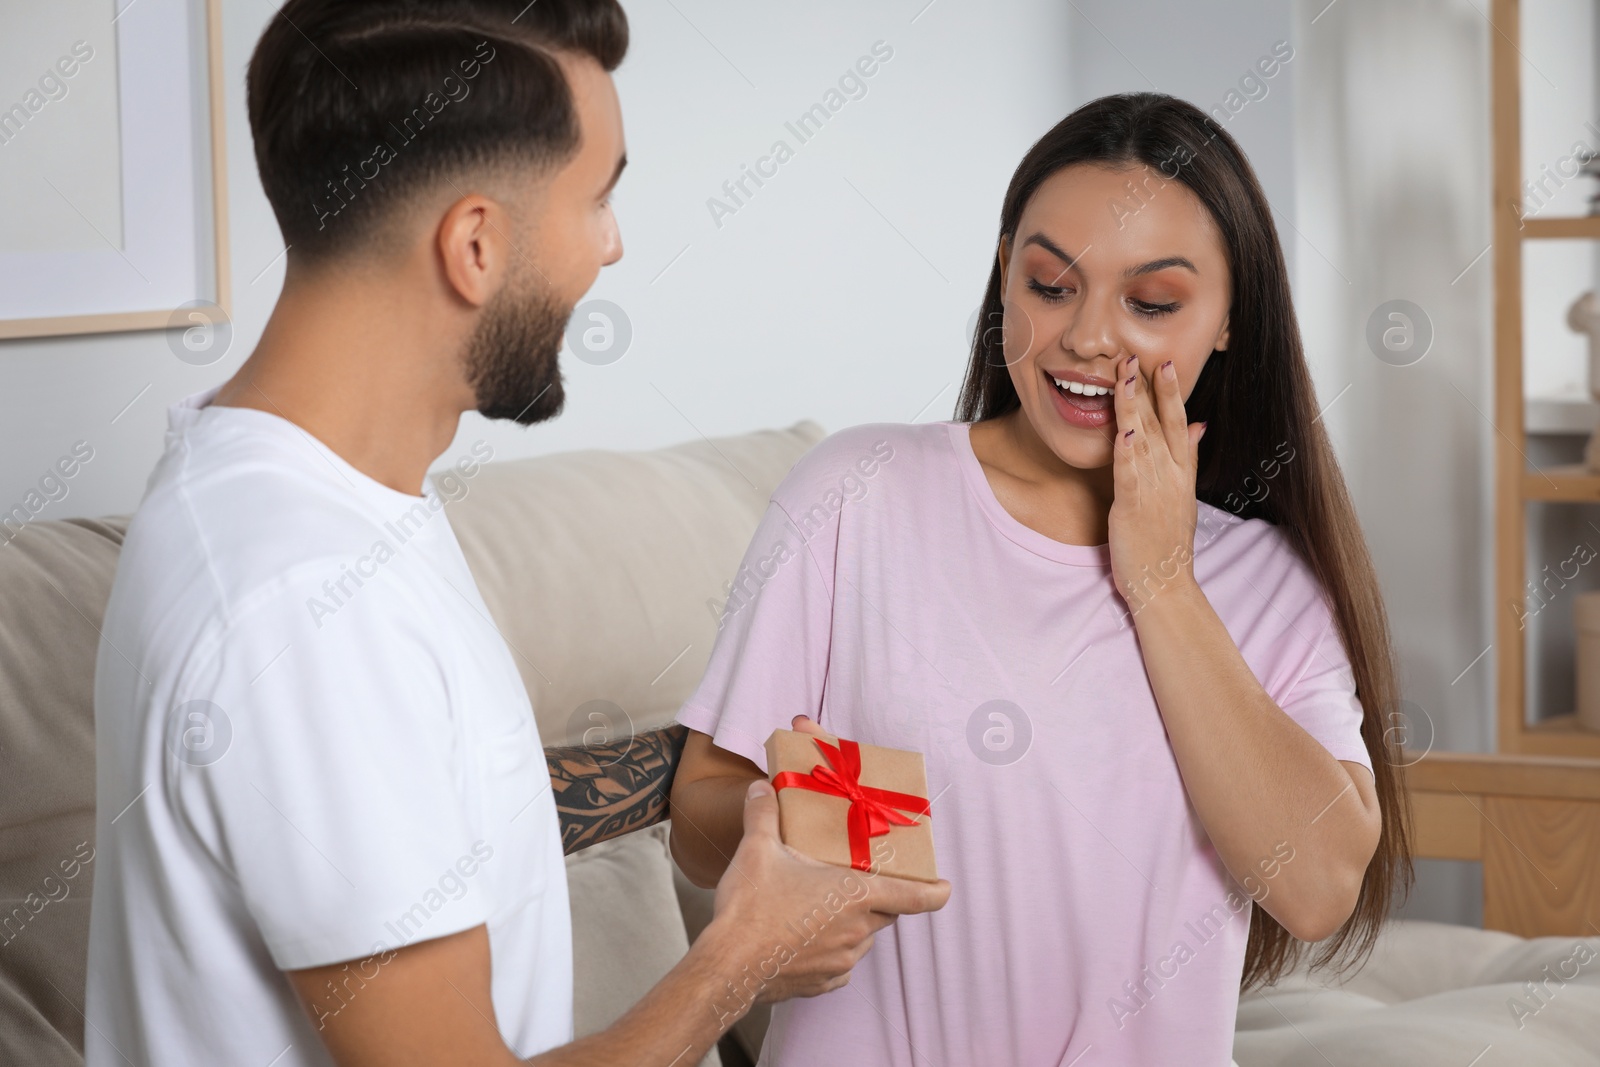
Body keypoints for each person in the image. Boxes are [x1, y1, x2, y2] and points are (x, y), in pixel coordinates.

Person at [83, 3, 950, 1064]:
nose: (612, 246)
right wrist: (742, 958)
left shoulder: (297, 487)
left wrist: (682, 767)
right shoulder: (309, 606)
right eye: (597, 197)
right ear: (476, 244)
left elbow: (407, 801)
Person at [669, 92, 1412, 1066]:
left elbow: (1314, 886)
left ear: (1231, 319)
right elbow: (701, 811)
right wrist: (816, 822)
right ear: (1004, 286)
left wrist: (1160, 581)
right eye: (1050, 285)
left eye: (1151, 302)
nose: (1088, 338)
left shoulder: (1265, 580)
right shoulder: (858, 493)